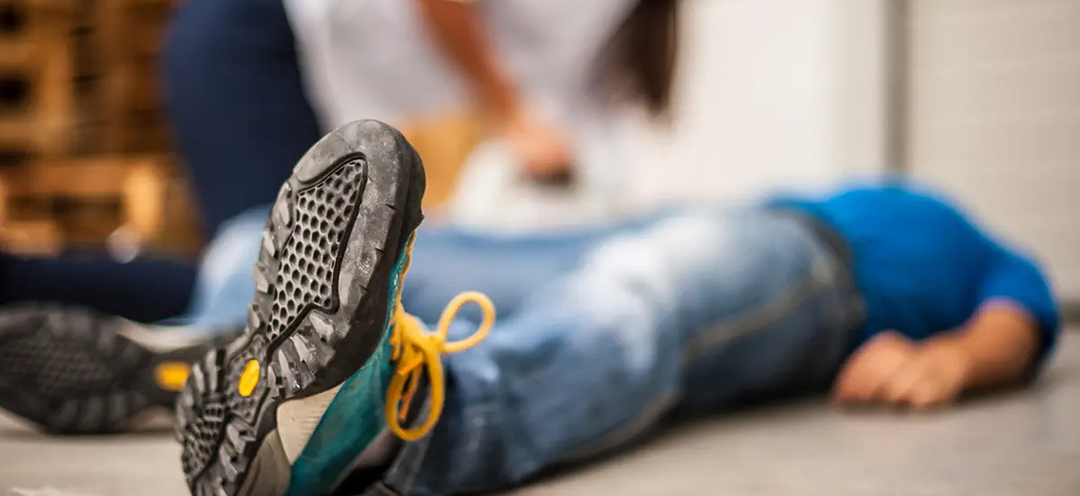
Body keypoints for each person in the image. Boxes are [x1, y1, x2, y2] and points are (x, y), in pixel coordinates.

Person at [0, 0, 777, 368]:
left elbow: (580, 141)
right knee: (263, 286)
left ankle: (98, 325)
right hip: (261, 22)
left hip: (311, 65)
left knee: (279, 290)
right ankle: (32, 290)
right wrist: (510, 113)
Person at [161, 120, 1059, 496]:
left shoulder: (985, 250)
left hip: (812, 268)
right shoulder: (862, 193)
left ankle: (395, 422)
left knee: (638, 295)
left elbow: (1022, 317)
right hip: (709, 222)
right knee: (456, 249)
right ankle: (225, 347)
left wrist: (949, 359)